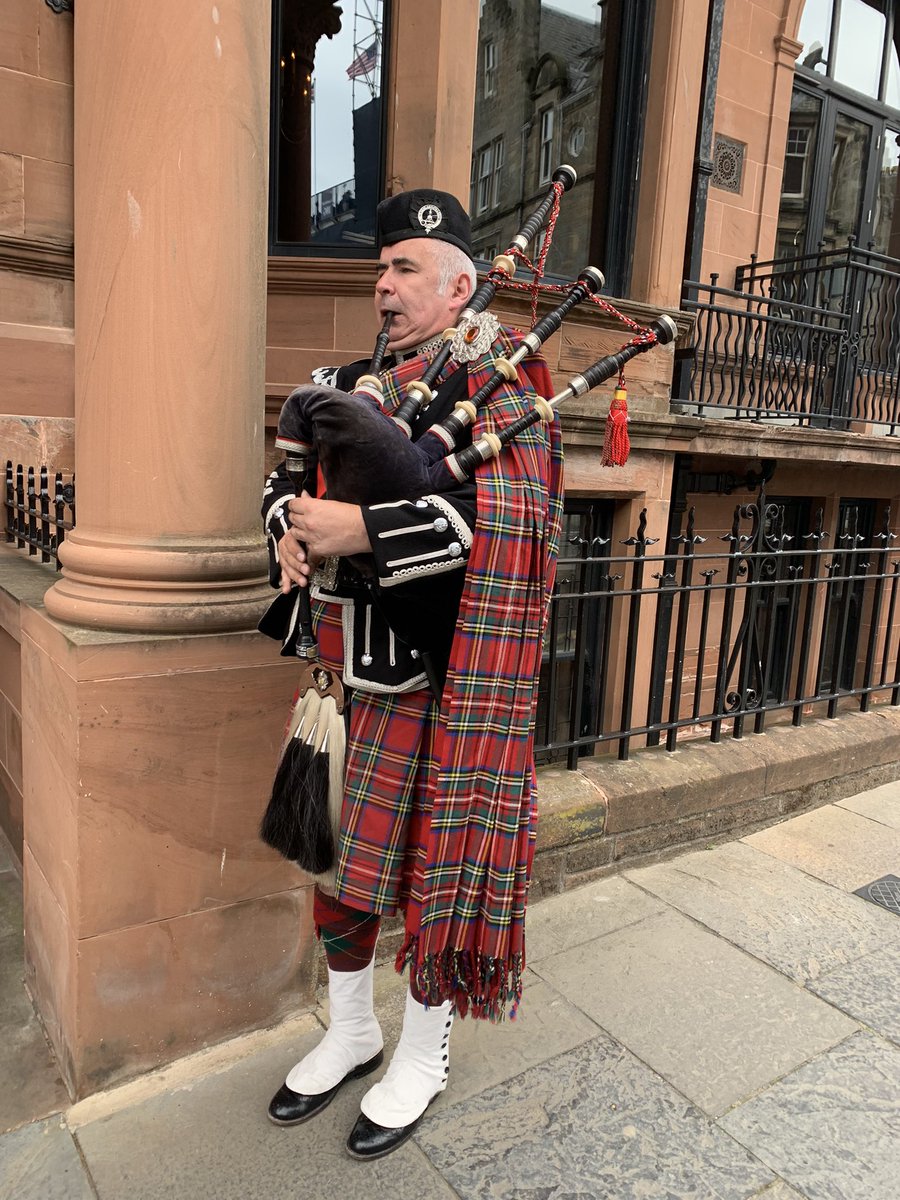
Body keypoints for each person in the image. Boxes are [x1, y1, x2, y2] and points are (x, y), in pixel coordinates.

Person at [259, 188, 563, 1160]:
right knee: (336, 868)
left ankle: (422, 1057)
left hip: (438, 688)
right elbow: (283, 478)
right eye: (380, 269)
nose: (382, 287)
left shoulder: (505, 388)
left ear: (461, 286)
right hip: (340, 678)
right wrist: (287, 538)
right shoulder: (346, 379)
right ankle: (352, 1031)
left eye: (403, 270)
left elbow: (508, 531)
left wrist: (365, 530)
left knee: (433, 879)